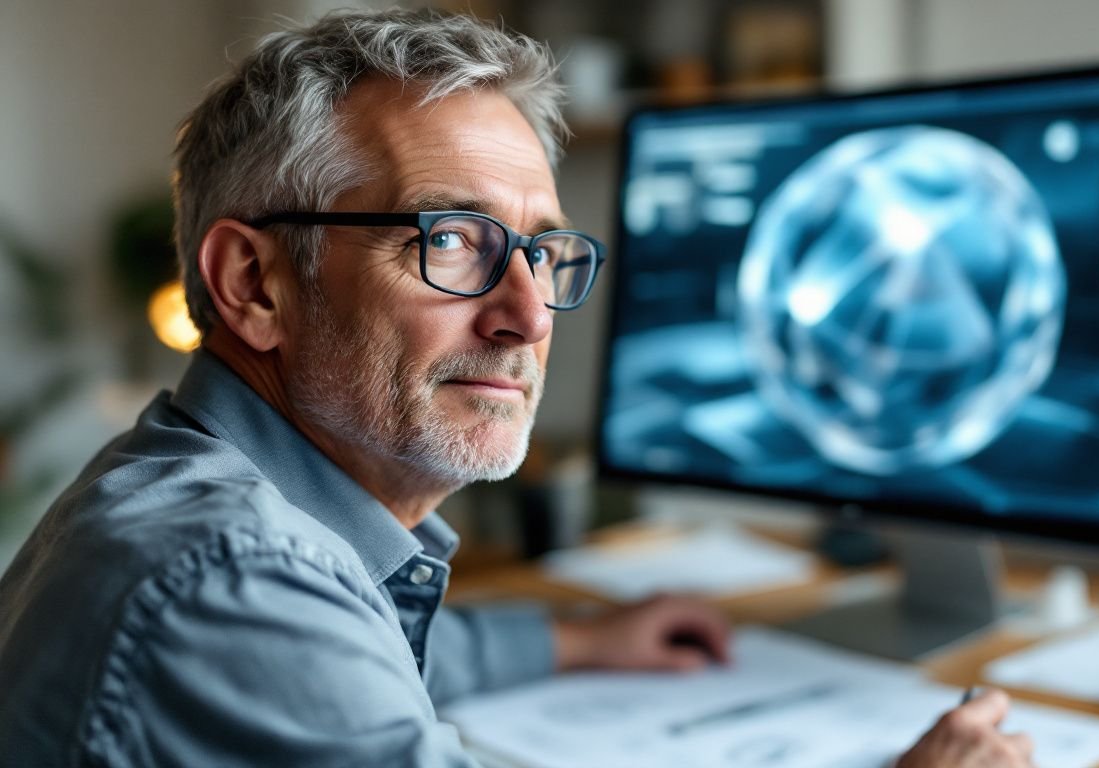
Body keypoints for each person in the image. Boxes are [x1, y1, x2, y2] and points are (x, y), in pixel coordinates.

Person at [0, 9, 1032, 767]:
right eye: (450, 240)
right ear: (252, 284)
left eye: (543, 254)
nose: (530, 316)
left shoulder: (223, 511)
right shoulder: (227, 580)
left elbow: (362, 653)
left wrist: (581, 639)